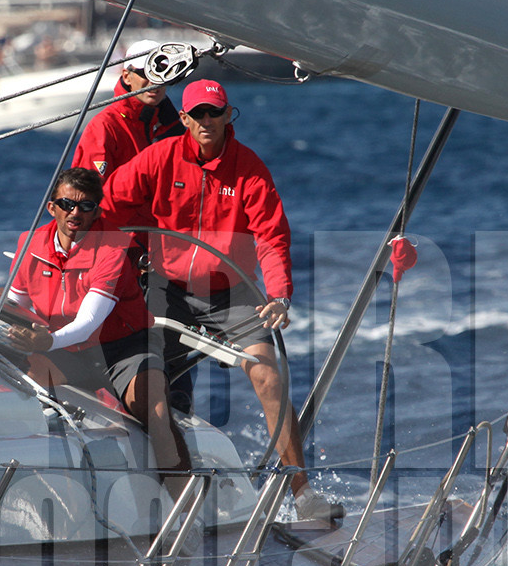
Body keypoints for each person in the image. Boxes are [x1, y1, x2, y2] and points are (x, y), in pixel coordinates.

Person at [103, 80, 342, 522]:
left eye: (214, 112)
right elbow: (110, 201)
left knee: (268, 375)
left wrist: (279, 294)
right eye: (197, 114)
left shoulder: (248, 168)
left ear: (229, 114)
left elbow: (272, 237)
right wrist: (107, 251)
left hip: (231, 293)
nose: (206, 122)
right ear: (186, 119)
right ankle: (158, 497)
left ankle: (303, 493)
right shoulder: (160, 157)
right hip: (165, 288)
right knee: (149, 385)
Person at [0, 167, 189, 483]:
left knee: (153, 409)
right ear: (51, 207)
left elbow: (88, 323)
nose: (75, 213)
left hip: (124, 349)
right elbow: (16, 303)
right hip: (63, 348)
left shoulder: (113, 248)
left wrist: (45, 342)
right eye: (67, 204)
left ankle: (185, 509)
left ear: (97, 211)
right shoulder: (29, 243)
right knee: (3, 384)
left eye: (86, 206)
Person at [70, 39, 174, 180]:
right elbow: (90, 195)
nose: (154, 81)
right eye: (145, 73)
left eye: (161, 71)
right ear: (127, 77)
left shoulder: (171, 123)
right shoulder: (104, 127)